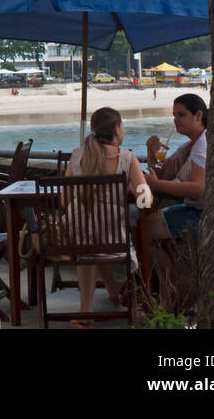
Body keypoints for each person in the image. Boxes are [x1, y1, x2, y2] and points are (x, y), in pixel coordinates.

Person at [63, 106, 147, 327]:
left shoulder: (76, 155)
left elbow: (63, 201)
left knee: (89, 241)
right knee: (99, 235)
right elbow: (145, 200)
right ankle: (107, 296)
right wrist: (131, 186)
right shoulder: (127, 159)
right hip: (112, 235)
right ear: (117, 130)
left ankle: (87, 309)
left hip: (76, 235)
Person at [143, 94, 208, 251]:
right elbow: (162, 175)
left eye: (181, 115)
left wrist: (155, 183)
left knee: (143, 231)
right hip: (191, 208)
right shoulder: (187, 147)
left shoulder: (202, 145)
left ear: (198, 115)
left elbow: (198, 188)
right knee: (142, 228)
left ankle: (166, 274)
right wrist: (151, 153)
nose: (175, 120)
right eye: (174, 115)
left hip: (201, 214)